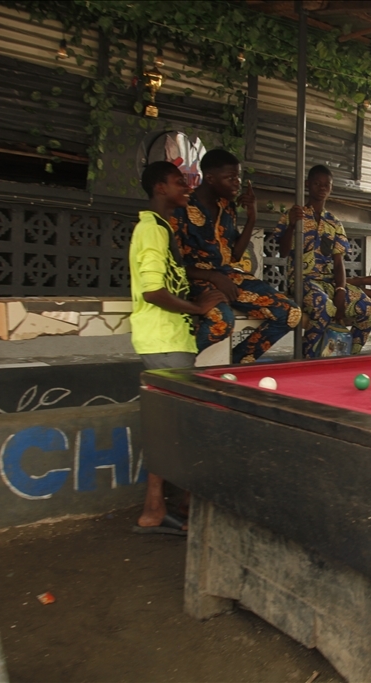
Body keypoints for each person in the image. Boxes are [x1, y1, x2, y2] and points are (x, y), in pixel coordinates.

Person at [130, 161, 226, 534]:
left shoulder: (160, 227)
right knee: (173, 426)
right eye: (177, 182)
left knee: (169, 424)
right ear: (159, 188)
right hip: (163, 339)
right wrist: (198, 308)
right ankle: (158, 510)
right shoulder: (151, 230)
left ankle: (168, 506)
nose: (187, 187)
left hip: (170, 338)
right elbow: (153, 291)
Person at [173, 149, 300, 364]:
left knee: (290, 313)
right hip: (194, 280)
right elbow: (176, 265)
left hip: (227, 276)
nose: (237, 183)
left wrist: (252, 218)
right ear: (210, 178)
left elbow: (235, 255)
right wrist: (213, 277)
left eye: (238, 177)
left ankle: (238, 364)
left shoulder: (228, 207)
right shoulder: (182, 208)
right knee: (222, 322)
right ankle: (174, 364)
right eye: (230, 178)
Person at [276, 164, 371, 357]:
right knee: (325, 307)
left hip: (329, 283)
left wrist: (340, 290)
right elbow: (282, 252)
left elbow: (338, 262)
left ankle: (348, 355)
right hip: (302, 281)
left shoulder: (334, 222)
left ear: (331, 187)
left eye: (327, 184)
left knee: (370, 310)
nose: (322, 188)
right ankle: (309, 357)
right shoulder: (294, 214)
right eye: (317, 183)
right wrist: (291, 225)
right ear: (307, 184)